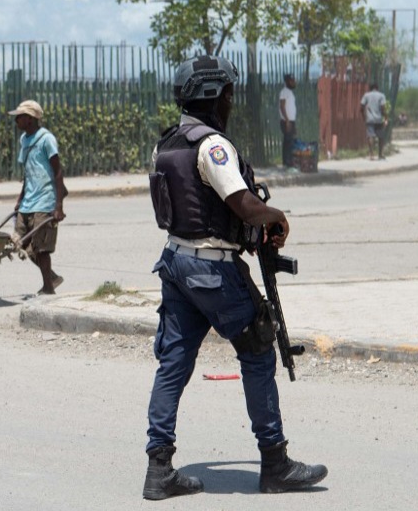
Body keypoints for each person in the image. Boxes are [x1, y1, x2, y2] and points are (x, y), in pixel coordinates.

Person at [143, 54, 327, 500]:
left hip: (175, 263)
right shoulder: (213, 146)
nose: (231, 101)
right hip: (211, 269)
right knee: (259, 351)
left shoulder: (166, 144)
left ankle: (159, 469)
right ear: (213, 96)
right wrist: (277, 215)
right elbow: (243, 205)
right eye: (227, 93)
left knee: (174, 363)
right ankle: (275, 463)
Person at [9, 99, 66, 296]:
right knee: (20, 243)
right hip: (28, 201)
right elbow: (28, 173)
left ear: (30, 119)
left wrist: (58, 206)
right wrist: (19, 200)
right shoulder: (24, 140)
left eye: (19, 117)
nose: (16, 121)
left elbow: (58, 172)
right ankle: (51, 276)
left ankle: (48, 288)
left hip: (45, 199)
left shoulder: (46, 139)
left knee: (41, 248)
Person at [360, 83, 388, 160]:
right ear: (377, 88)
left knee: (370, 136)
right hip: (379, 119)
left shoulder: (366, 95)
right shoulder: (381, 95)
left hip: (369, 119)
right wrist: (385, 117)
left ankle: (371, 154)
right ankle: (380, 154)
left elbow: (361, 106)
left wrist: (363, 117)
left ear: (370, 88)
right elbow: (383, 107)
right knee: (381, 137)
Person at [278, 73, 297, 170]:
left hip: (290, 121)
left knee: (289, 141)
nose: (294, 82)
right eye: (292, 80)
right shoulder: (284, 92)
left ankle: (288, 161)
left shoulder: (289, 92)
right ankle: (287, 162)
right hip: (287, 121)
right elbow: (282, 106)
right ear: (287, 81)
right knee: (288, 142)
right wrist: (287, 120)